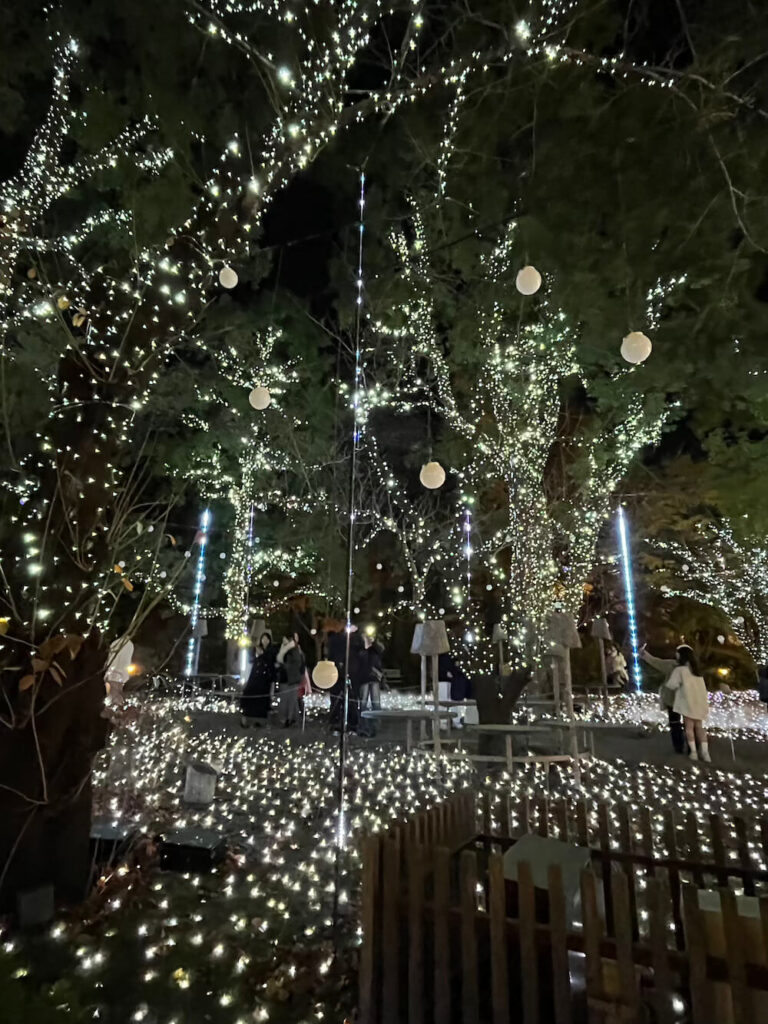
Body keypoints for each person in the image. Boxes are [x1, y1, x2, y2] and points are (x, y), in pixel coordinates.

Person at [666, 646, 711, 762]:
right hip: (700, 702)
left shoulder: (680, 670)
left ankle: (694, 752)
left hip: (687, 702)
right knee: (699, 728)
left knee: (689, 728)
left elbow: (672, 685)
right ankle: (705, 753)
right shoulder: (697, 671)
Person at [641, 644, 687, 755]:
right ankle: (688, 747)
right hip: (684, 699)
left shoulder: (672, 666)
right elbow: (657, 662)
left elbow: (657, 662)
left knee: (676, 723)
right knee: (685, 723)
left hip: (675, 699)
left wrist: (644, 654)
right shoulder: (689, 667)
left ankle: (679, 747)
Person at [240, 632, 276, 726]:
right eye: (263, 638)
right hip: (255, 676)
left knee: (262, 699)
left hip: (265, 679)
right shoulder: (257, 649)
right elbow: (252, 660)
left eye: (266, 639)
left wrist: (262, 655)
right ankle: (247, 717)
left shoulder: (271, 650)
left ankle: (259, 720)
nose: (264, 640)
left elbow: (271, 662)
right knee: (250, 695)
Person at [357, 634, 384, 737]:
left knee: (375, 703)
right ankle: (363, 727)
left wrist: (374, 643)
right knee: (363, 704)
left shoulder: (375, 650)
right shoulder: (361, 650)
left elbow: (381, 650)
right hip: (364, 678)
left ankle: (375, 727)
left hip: (373, 678)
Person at [276, 633, 305, 727]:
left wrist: (284, 666)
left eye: (285, 639)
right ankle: (289, 718)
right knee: (286, 700)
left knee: (290, 700)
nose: (284, 640)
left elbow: (297, 663)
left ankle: (289, 718)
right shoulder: (284, 649)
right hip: (285, 678)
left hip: (292, 678)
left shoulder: (294, 649)